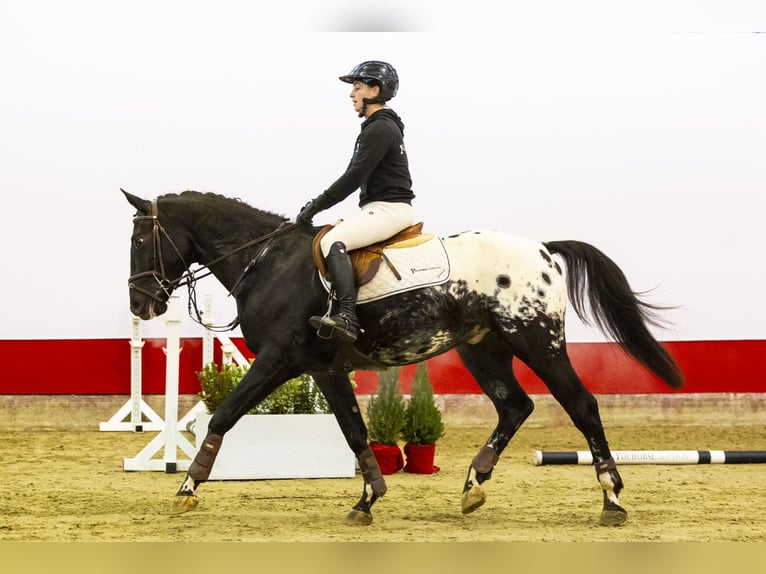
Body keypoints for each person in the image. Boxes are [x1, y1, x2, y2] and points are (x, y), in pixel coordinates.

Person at [295, 60, 415, 343]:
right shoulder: (378, 126)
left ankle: (347, 316)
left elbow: (353, 177)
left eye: (357, 87)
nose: (352, 94)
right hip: (381, 208)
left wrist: (315, 206)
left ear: (374, 90)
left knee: (331, 242)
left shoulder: (380, 129)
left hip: (389, 210)